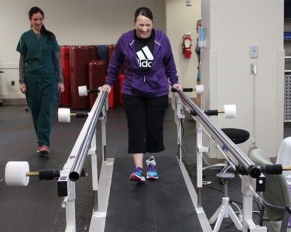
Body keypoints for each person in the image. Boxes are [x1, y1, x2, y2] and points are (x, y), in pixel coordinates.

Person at [102, 7, 182, 182]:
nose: (144, 29)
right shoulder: (125, 40)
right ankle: (138, 168)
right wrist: (108, 84)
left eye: (147, 25)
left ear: (152, 24)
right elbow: (114, 64)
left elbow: (169, 63)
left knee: (153, 128)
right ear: (134, 23)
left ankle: (151, 164)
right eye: (140, 25)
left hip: (157, 90)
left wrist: (174, 81)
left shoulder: (162, 39)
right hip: (132, 91)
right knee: (136, 128)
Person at [17, 6, 65, 155]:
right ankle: (42, 141)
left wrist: (60, 80)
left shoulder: (50, 37)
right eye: (35, 19)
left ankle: (43, 143)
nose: (38, 22)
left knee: (46, 111)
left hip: (48, 79)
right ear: (30, 20)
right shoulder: (25, 37)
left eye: (40, 19)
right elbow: (21, 60)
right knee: (36, 112)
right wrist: (21, 81)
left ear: (43, 19)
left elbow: (57, 60)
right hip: (31, 79)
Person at [195, 19, 202, 107]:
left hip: (203, 69)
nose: (198, 27)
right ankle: (196, 113)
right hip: (200, 67)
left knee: (199, 91)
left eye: (200, 25)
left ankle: (197, 113)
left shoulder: (204, 40)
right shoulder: (198, 39)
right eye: (197, 26)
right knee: (198, 90)